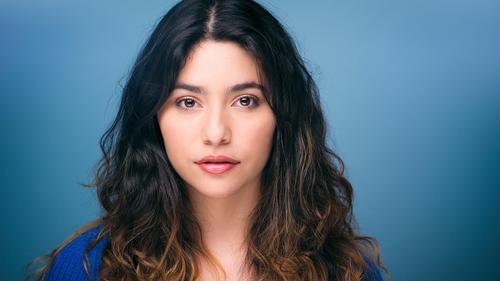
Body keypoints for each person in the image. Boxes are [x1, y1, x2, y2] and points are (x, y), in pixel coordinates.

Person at [28, 0, 388, 280]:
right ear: (154, 116)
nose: (216, 133)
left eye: (245, 100)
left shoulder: (347, 271)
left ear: (283, 116)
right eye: (187, 102)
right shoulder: (86, 269)